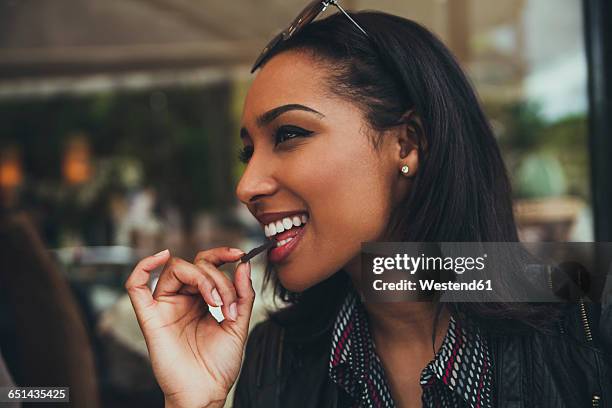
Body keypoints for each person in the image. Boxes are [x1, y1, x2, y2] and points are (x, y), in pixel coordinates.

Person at [125, 4, 611, 408]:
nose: (246, 185)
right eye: (247, 152)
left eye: (290, 134)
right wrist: (198, 402)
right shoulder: (273, 361)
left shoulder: (590, 324)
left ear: (407, 144)